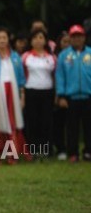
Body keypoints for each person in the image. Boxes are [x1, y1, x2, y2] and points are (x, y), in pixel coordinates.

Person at [0, 27, 30, 164]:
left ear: (8, 40)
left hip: (12, 93)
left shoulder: (15, 57)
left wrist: (22, 97)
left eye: (4, 37)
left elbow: (21, 79)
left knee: (13, 122)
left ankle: (12, 153)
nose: (2, 40)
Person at [56, 24, 91, 163]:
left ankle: (88, 151)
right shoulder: (64, 56)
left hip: (88, 96)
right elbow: (60, 76)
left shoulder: (89, 53)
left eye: (79, 36)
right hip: (71, 97)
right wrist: (62, 96)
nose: (77, 39)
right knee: (72, 127)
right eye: (74, 36)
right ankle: (73, 152)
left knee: (89, 126)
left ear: (84, 38)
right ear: (70, 38)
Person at [22, 29, 56, 160]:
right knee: (33, 122)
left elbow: (54, 76)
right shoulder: (26, 56)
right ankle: (34, 151)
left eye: (41, 37)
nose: (38, 40)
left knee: (46, 122)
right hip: (31, 91)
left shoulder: (51, 57)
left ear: (45, 40)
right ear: (31, 41)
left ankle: (45, 151)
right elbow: (22, 76)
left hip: (47, 92)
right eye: (35, 38)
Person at [52, 31, 70, 160]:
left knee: (72, 124)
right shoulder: (56, 58)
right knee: (59, 123)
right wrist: (58, 95)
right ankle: (60, 149)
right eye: (65, 42)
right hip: (60, 94)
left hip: (75, 95)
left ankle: (72, 149)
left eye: (69, 42)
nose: (67, 44)